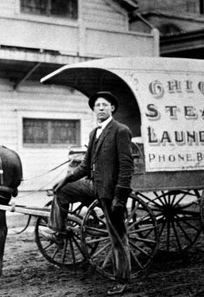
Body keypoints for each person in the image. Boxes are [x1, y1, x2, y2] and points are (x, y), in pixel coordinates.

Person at [49, 91, 134, 296]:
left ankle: (122, 279)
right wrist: (66, 179)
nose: (101, 108)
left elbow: (126, 166)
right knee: (61, 191)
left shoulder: (120, 131)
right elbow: (85, 166)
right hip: (94, 186)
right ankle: (58, 232)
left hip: (111, 191)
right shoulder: (94, 133)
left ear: (112, 108)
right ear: (94, 109)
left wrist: (120, 198)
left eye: (105, 105)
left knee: (117, 237)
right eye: (98, 105)